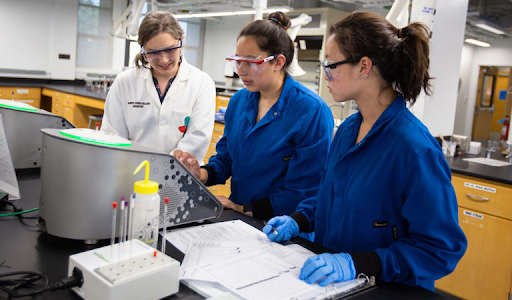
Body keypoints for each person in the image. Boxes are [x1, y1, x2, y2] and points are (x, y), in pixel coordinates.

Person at [263, 11, 467, 291]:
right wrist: (298, 220)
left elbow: (441, 248)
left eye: (331, 65)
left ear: (364, 67)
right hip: (329, 284)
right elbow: (330, 196)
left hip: (387, 289)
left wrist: (360, 264)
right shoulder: (348, 130)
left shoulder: (414, 149)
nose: (326, 75)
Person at [175, 12, 334, 221]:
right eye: (237, 61)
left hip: (286, 226)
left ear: (278, 62)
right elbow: (226, 159)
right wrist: (200, 174)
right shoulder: (239, 101)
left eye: (250, 62)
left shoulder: (311, 111)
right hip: (239, 217)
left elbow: (305, 190)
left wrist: (245, 208)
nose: (241, 70)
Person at [101, 11, 215, 162]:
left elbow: (197, 139)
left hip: (179, 175)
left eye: (170, 49)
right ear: (143, 50)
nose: (164, 59)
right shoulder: (125, 82)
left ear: (181, 40)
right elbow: (112, 136)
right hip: (133, 173)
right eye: (153, 53)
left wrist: (164, 169)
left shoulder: (202, 83)